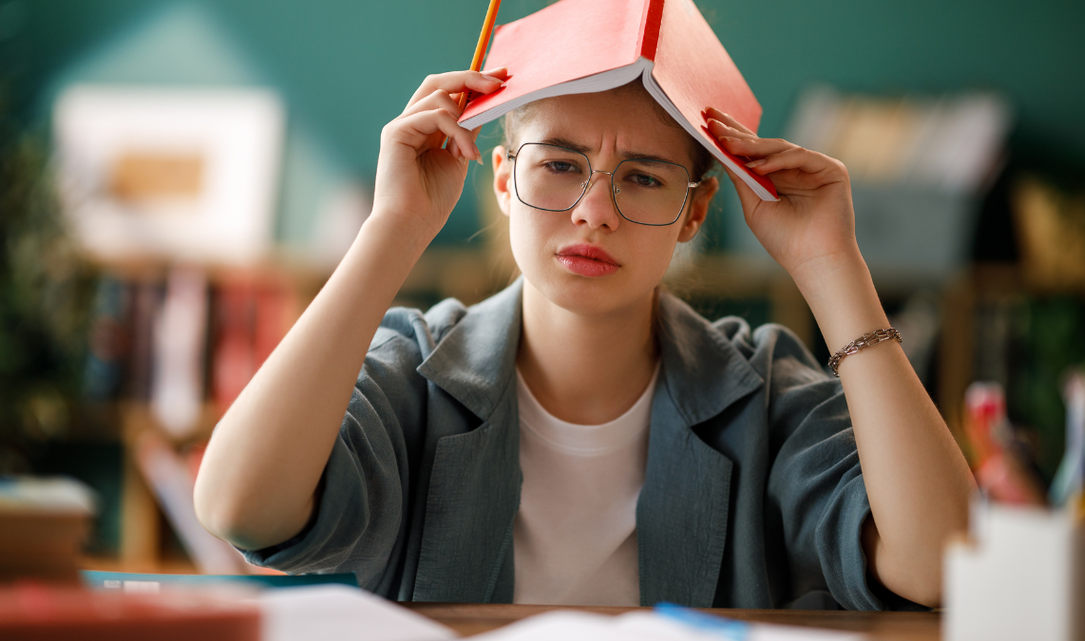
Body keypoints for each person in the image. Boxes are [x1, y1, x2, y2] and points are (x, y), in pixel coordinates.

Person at [193, 67, 976, 609]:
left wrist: (832, 266)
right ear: (502, 179)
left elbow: (940, 561)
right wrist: (393, 229)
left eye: (641, 177)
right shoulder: (418, 371)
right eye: (560, 164)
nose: (594, 211)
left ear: (693, 213)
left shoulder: (764, 386)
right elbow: (240, 506)